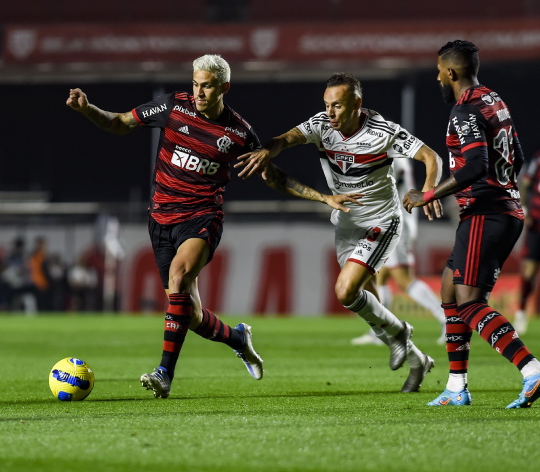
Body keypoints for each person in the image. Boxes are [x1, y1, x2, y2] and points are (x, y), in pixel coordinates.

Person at [67, 55, 273, 398]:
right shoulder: (173, 107)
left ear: (224, 87)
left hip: (202, 217)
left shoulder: (241, 133)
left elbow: (270, 173)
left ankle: (164, 373)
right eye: (195, 83)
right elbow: (120, 123)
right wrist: (88, 109)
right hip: (160, 218)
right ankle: (238, 338)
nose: (199, 91)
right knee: (188, 313)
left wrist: (320, 197)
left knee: (179, 276)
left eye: (206, 85)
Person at [236, 73, 443, 393]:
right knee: (367, 300)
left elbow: (431, 157)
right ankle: (417, 360)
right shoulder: (322, 125)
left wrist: (427, 192)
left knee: (346, 291)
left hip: (381, 221)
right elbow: (286, 138)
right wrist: (268, 149)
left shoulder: (382, 132)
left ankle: (401, 333)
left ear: (357, 104)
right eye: (327, 105)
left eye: (337, 106)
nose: (330, 113)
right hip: (346, 223)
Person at [403, 40, 540, 408]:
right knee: (450, 288)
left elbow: (476, 166)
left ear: (450, 72)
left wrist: (427, 195)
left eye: (438, 71)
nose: (437, 78)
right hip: (504, 209)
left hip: (486, 212)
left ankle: (531, 369)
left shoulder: (464, 111)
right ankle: (456, 386)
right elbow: (518, 156)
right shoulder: (494, 100)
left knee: (468, 302)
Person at [351, 158, 446, 346]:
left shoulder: (391, 156)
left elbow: (385, 186)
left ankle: (448, 320)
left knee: (403, 279)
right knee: (380, 276)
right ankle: (380, 331)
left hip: (394, 224)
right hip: (390, 223)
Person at [514, 150, 540, 335]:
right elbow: (524, 183)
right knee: (529, 271)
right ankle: (521, 312)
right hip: (537, 225)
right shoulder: (538, 159)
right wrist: (524, 209)